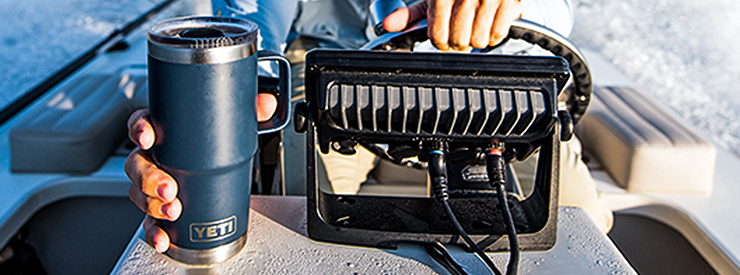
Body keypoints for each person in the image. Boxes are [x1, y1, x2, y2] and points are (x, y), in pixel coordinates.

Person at [125, 0, 611, 254]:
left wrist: (505, 6)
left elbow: (556, 9)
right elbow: (252, 17)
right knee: (283, 211)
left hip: (492, 78)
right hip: (334, 79)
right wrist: (210, 114)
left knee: (576, 218)